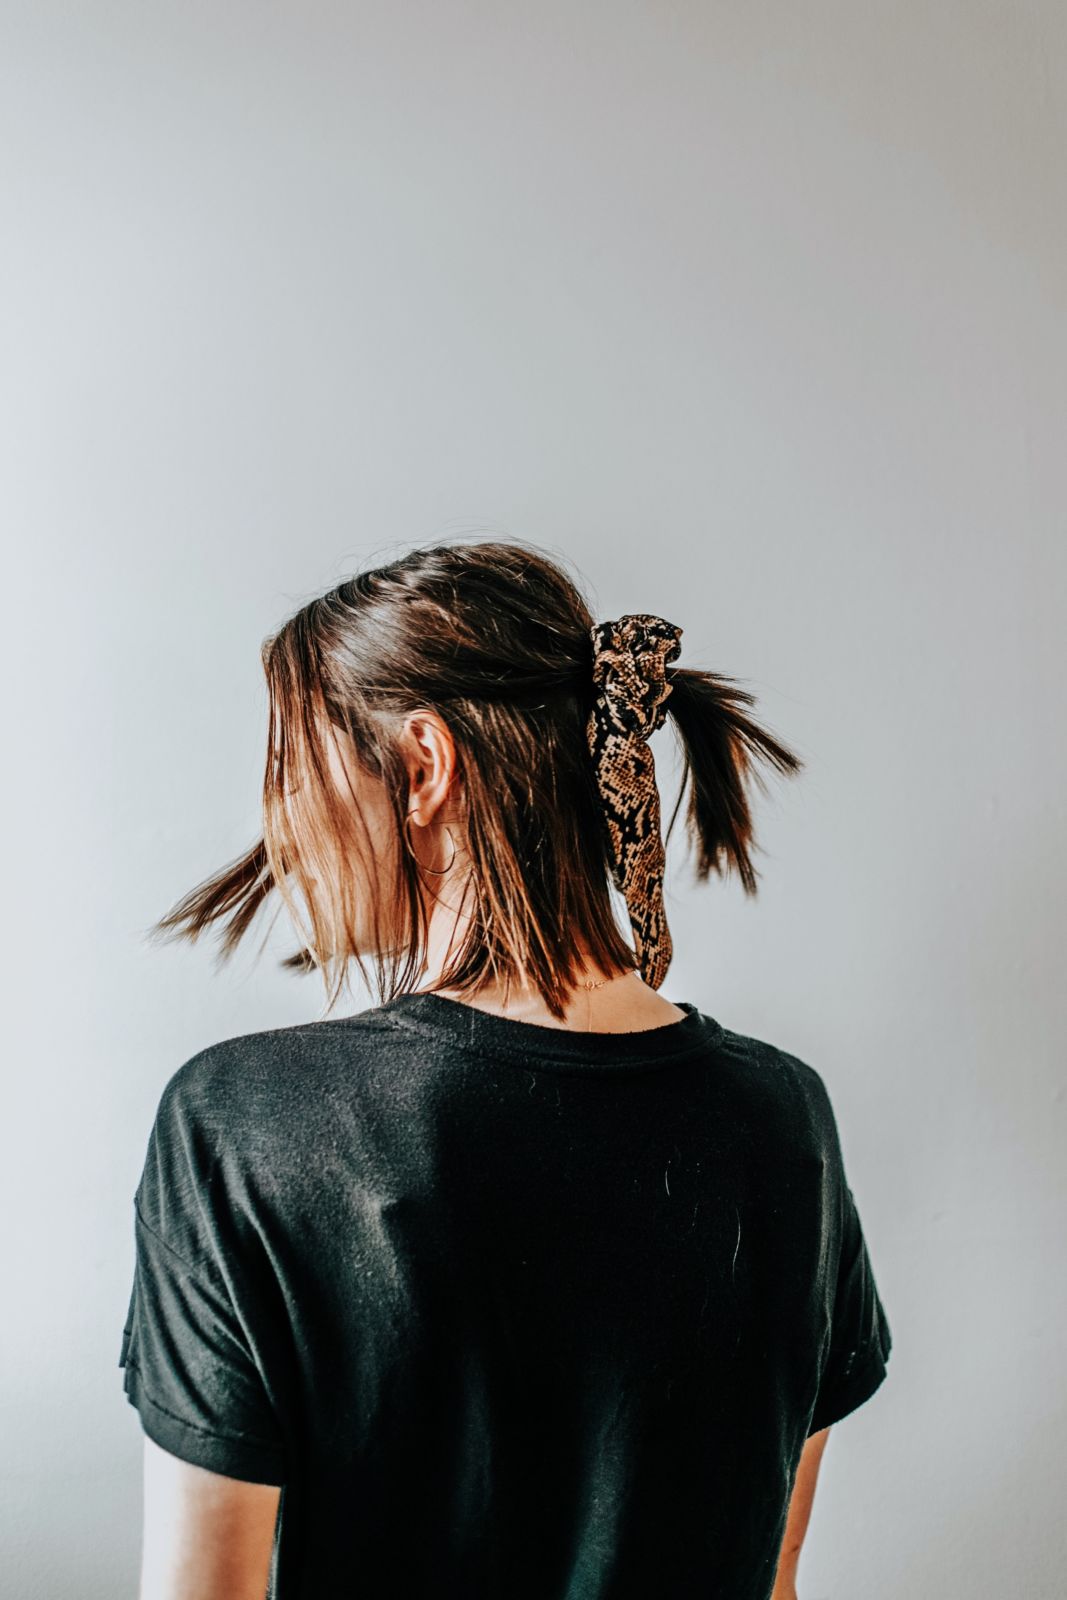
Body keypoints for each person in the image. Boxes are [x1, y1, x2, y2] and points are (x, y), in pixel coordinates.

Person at [119, 538, 892, 1599]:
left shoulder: (244, 1122)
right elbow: (774, 1579)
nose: (282, 824)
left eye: (293, 769)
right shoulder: (781, 1115)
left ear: (423, 764)